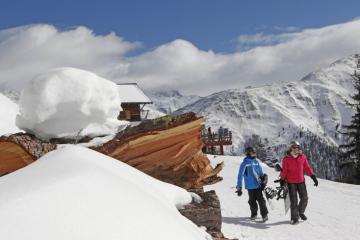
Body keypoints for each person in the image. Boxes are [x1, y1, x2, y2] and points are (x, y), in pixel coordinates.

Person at [280, 141, 318, 225]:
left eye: (297, 147)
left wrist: (313, 177)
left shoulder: (302, 157)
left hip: (301, 181)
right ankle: (294, 218)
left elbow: (307, 168)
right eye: (294, 147)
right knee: (294, 201)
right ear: (290, 148)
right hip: (291, 183)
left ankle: (300, 212)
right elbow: (284, 171)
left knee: (305, 198)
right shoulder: (286, 159)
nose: (296, 149)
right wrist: (282, 180)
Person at [236, 147, 269, 222]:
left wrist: (264, 180)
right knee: (252, 201)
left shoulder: (256, 162)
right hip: (250, 186)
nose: (255, 154)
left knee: (261, 200)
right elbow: (240, 176)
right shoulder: (244, 164)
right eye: (253, 152)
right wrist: (239, 187)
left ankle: (264, 215)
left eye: (255, 152)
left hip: (258, 185)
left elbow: (260, 173)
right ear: (248, 153)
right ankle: (254, 214)